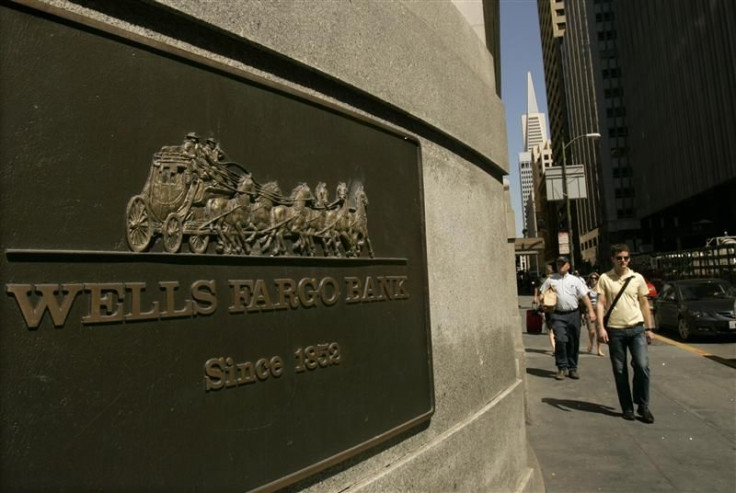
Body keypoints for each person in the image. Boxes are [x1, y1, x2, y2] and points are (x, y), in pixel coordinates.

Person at [595, 244, 656, 423]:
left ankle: (643, 405)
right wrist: (600, 327)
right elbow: (600, 304)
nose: (623, 261)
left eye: (626, 258)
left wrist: (649, 328)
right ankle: (627, 408)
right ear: (612, 259)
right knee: (620, 371)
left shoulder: (637, 278)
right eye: (619, 258)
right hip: (615, 330)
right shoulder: (605, 278)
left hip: (637, 328)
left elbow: (644, 304)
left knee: (642, 365)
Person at [539, 256, 597, 380]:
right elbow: (541, 294)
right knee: (560, 340)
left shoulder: (575, 280)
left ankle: (572, 368)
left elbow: (585, 297)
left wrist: (591, 311)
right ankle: (561, 367)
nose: (560, 265)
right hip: (558, 314)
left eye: (563, 263)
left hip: (573, 314)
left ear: (568, 266)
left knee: (573, 340)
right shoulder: (550, 280)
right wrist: (543, 303)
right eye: (558, 263)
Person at [533, 264, 556, 355]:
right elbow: (538, 289)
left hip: (557, 305)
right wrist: (536, 298)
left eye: (549, 269)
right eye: (547, 269)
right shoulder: (542, 279)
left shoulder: (557, 278)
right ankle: (554, 347)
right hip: (547, 305)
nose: (548, 271)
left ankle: (556, 346)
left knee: (554, 327)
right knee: (550, 327)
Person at [585, 273, 605, 356]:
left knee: (599, 330)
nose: (594, 280)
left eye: (596, 278)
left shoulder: (600, 288)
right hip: (590, 310)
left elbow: (604, 300)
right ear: (589, 279)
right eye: (592, 278)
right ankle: (591, 342)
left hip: (599, 310)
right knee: (592, 331)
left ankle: (599, 349)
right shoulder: (586, 289)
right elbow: (584, 301)